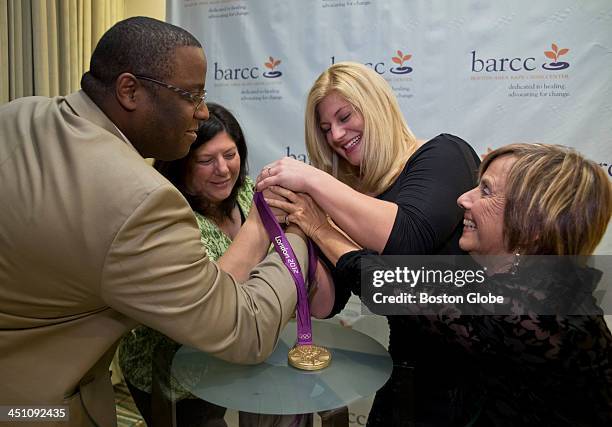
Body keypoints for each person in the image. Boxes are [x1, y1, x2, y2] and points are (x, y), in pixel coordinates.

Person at [0, 17, 308, 427]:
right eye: (192, 95)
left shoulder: (19, 114)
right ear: (130, 90)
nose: (201, 112)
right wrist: (297, 232)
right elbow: (246, 329)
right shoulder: (141, 202)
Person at [268, 143, 612, 425]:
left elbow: (389, 286)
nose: (464, 198)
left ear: (532, 225)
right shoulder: (521, 282)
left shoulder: (538, 312)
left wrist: (318, 227)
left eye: (486, 191)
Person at [258, 61, 481, 425]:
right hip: (404, 376)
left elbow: (406, 241)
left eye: (345, 117)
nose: (336, 136)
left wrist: (317, 190)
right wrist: (298, 230)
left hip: (467, 379)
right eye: (326, 128)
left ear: (375, 105)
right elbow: (327, 304)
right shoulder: (347, 199)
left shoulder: (444, 155)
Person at [118, 103, 250, 426]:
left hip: (223, 363)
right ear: (181, 167)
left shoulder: (247, 193)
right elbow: (211, 301)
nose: (223, 169)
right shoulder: (169, 221)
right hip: (170, 375)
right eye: (206, 160)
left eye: (230, 155)